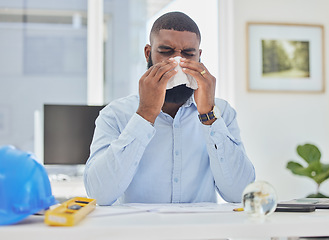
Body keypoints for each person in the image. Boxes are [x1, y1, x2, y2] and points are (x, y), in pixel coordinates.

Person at [84, 11, 255, 206]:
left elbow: (240, 193)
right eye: (166, 52)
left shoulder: (221, 112)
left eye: (188, 54)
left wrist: (209, 115)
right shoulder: (115, 114)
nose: (177, 63)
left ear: (199, 57)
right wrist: (145, 114)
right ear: (148, 53)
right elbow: (99, 195)